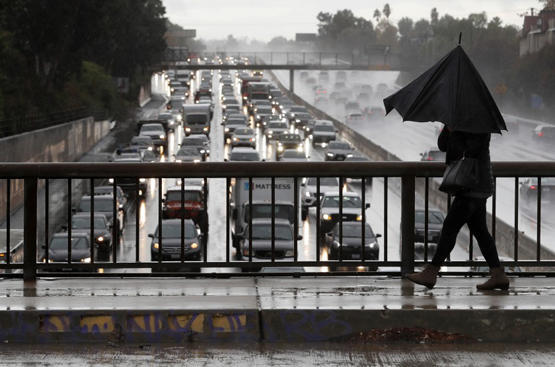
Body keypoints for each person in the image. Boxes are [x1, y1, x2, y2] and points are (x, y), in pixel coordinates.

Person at [406, 127, 509, 290]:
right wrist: (448, 128)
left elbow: (463, 151)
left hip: (471, 184)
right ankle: (498, 274)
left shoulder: (477, 124)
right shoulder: (461, 121)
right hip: (475, 185)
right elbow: (442, 146)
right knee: (480, 231)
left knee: (450, 228)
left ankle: (431, 272)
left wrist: (456, 133)